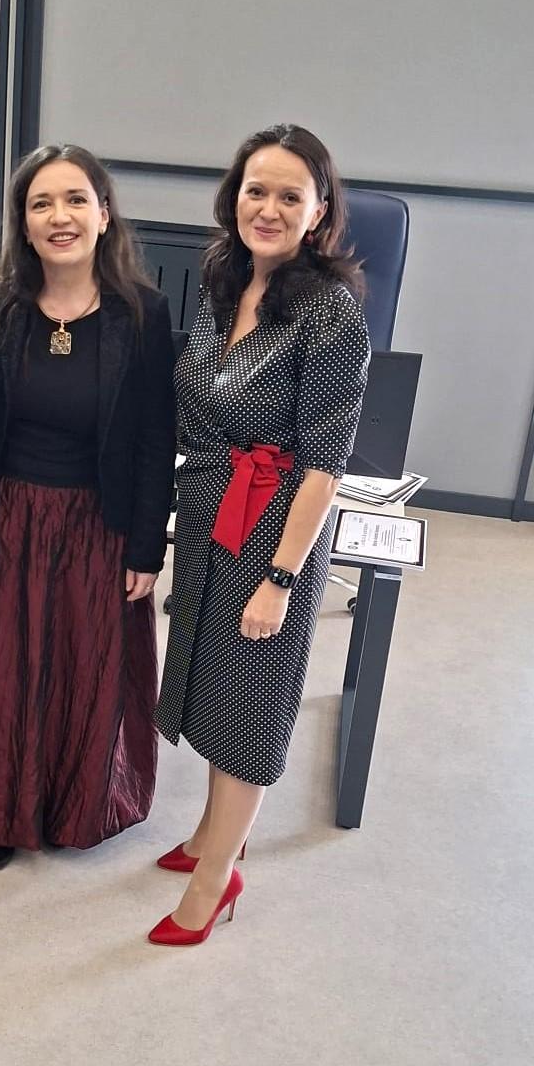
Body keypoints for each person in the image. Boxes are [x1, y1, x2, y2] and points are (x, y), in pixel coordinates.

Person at [0, 144, 177, 867]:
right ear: (23, 223)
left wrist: (146, 548)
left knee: (78, 670)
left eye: (74, 199)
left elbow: (156, 438)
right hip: (6, 516)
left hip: (98, 522)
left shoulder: (142, 313)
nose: (59, 216)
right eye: (41, 204)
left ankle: (64, 807)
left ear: (104, 213)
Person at [150, 124, 370, 946]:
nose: (268, 209)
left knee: (248, 704)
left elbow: (324, 466)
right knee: (214, 685)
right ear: (233, 197)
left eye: (289, 196)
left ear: (319, 212)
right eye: (256, 190)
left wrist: (280, 579)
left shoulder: (331, 313)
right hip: (212, 512)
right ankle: (214, 835)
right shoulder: (224, 281)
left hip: (275, 529)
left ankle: (217, 880)